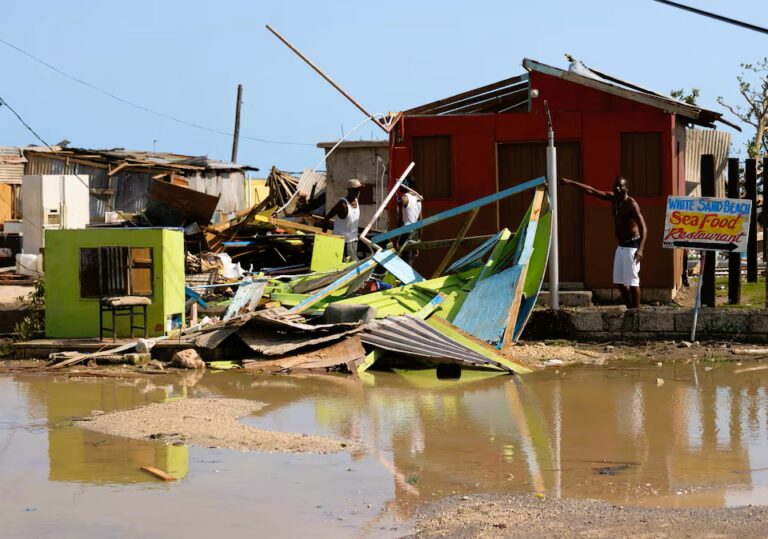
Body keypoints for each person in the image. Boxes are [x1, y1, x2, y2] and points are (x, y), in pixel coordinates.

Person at [560, 176, 647, 309]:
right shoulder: (614, 199)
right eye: (615, 186)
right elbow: (592, 191)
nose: (617, 188)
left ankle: (637, 311)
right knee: (619, 282)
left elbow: (644, 227)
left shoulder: (631, 204)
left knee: (633, 282)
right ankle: (630, 308)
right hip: (621, 246)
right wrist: (570, 182)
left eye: (621, 186)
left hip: (632, 247)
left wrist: (640, 249)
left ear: (626, 188)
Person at [323, 178, 363, 262]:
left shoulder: (356, 201)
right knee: (346, 265)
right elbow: (327, 217)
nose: (358, 192)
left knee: (352, 264)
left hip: (354, 240)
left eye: (360, 189)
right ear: (349, 190)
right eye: (356, 190)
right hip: (342, 242)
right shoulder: (342, 205)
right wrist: (324, 235)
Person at [395, 177, 423, 265]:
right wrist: (418, 240)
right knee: (410, 262)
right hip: (415, 233)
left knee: (406, 264)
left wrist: (396, 240)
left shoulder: (404, 199)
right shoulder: (418, 199)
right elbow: (420, 221)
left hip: (406, 233)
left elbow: (401, 221)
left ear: (407, 185)